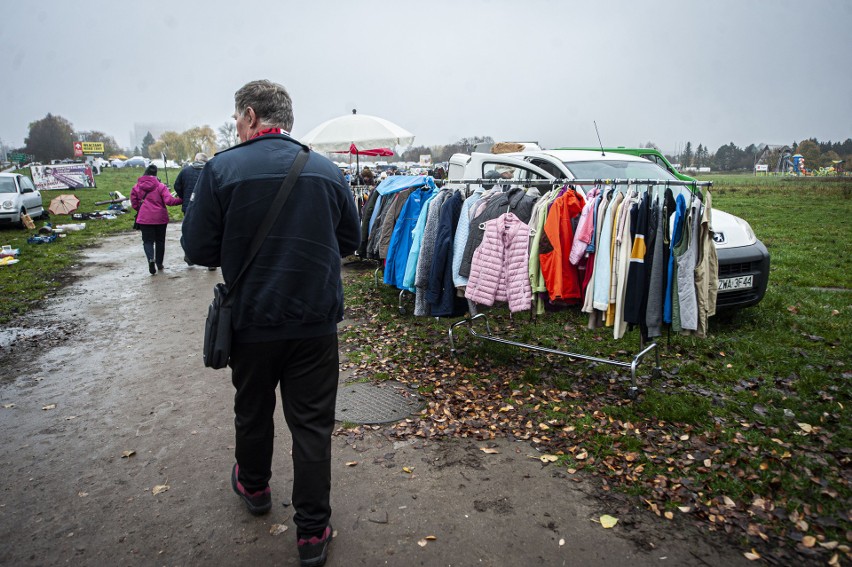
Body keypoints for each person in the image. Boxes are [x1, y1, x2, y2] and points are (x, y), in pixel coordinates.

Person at [181, 80, 360, 567]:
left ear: (253, 116)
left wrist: (238, 247)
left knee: (253, 409)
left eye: (237, 120)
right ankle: (310, 533)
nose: (236, 129)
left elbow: (196, 250)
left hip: (253, 321)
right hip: (314, 323)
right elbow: (350, 239)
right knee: (312, 426)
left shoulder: (220, 170)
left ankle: (255, 488)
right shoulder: (326, 171)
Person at [130, 164, 182, 274]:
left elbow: (134, 204)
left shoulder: (136, 187)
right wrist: (182, 200)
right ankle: (159, 263)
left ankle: (150, 259)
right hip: (160, 218)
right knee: (160, 241)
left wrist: (142, 209)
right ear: (155, 174)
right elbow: (169, 201)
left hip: (144, 218)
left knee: (147, 242)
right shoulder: (161, 186)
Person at [173, 152, 213, 268]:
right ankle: (211, 262)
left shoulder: (185, 171)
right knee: (209, 231)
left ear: (195, 159)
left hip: (188, 206)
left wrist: (184, 196)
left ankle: (188, 255)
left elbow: (177, 186)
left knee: (188, 231)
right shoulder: (210, 171)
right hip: (207, 206)